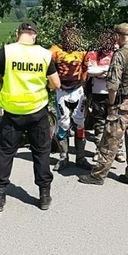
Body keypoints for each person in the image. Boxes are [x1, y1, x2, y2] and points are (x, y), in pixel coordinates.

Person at [0, 21, 61, 212]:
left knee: (6, 153)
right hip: (37, 111)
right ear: (35, 35)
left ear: (17, 34)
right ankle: (44, 195)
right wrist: (46, 87)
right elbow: (56, 83)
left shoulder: (5, 52)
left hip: (12, 113)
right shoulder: (45, 55)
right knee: (41, 152)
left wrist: (4, 87)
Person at [78, 23, 128, 186]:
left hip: (123, 103)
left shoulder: (120, 55)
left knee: (110, 139)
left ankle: (98, 175)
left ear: (118, 36)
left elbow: (113, 85)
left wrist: (112, 104)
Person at [50, 24, 92, 171]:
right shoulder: (54, 50)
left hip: (77, 90)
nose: (70, 37)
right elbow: (47, 68)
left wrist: (83, 85)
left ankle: (80, 158)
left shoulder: (83, 51)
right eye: (67, 34)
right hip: (61, 91)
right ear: (63, 35)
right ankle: (63, 158)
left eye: (73, 34)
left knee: (80, 123)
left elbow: (86, 68)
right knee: (63, 124)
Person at [86, 30, 126, 163]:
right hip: (98, 93)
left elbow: (122, 72)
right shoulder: (94, 53)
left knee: (116, 123)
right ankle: (99, 150)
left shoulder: (118, 53)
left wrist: (101, 72)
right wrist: (107, 71)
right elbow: (90, 71)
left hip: (115, 92)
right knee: (100, 124)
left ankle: (118, 150)